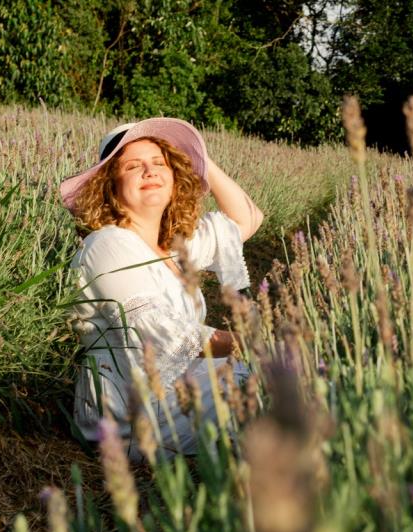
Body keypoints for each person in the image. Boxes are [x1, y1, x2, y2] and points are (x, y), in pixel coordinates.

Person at [59, 117, 263, 459]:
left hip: (169, 390)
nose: (149, 172)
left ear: (175, 177)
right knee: (275, 385)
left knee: (298, 377)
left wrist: (197, 155)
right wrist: (255, 344)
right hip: (130, 417)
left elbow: (248, 219)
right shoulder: (108, 244)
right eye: (133, 166)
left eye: (160, 163)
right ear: (110, 186)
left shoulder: (173, 248)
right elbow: (170, 337)